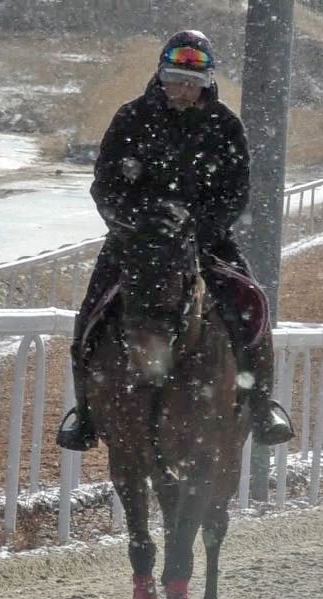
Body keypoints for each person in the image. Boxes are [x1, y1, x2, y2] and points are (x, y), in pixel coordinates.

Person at [56, 29, 295, 452]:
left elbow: (235, 195)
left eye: (193, 83)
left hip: (206, 244)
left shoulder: (225, 126)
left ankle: (262, 408)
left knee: (254, 305)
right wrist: (139, 226)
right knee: (90, 315)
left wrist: (194, 230)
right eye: (175, 79)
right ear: (160, 76)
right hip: (135, 243)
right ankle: (85, 414)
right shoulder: (130, 118)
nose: (183, 89)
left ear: (207, 83)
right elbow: (105, 188)